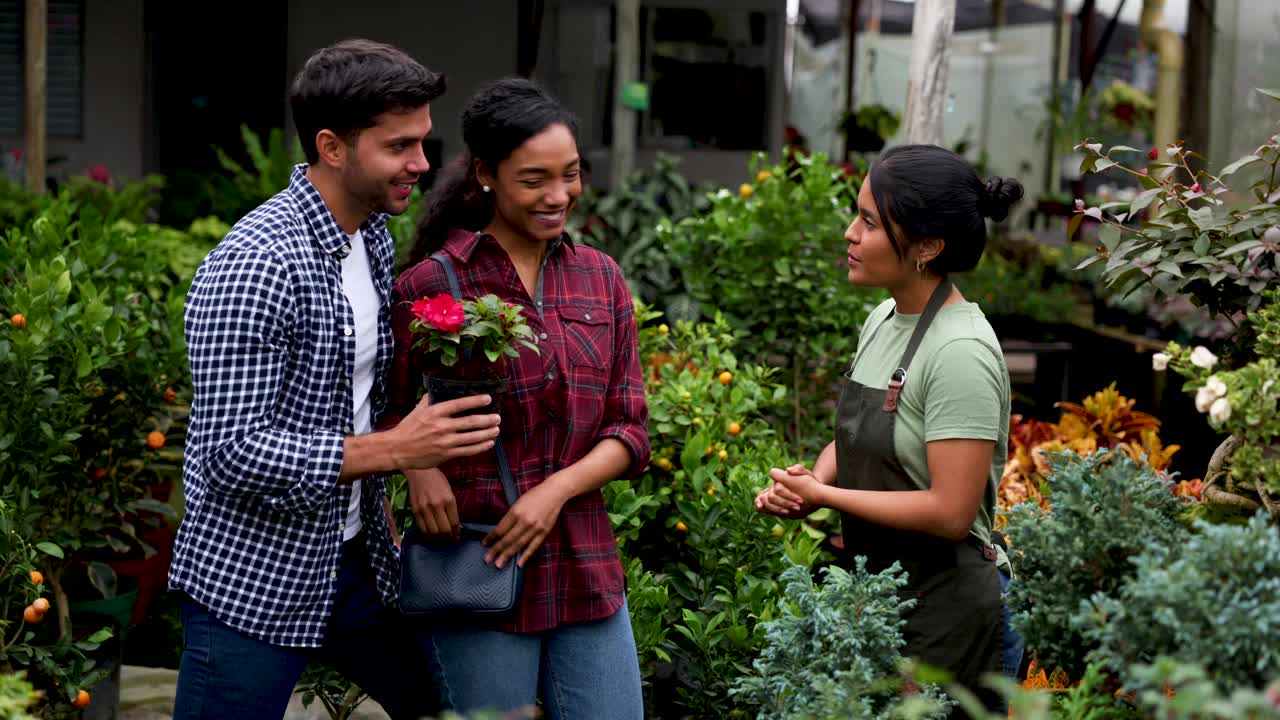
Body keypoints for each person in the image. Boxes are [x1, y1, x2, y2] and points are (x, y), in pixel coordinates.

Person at [169, 39, 502, 720]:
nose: (422, 163)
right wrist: (397, 452)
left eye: (423, 141)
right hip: (252, 579)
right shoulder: (256, 265)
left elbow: (357, 396)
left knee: (454, 706)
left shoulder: (371, 234)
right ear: (331, 147)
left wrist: (397, 478)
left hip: (355, 562)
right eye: (400, 146)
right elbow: (230, 453)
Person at [382, 77, 649, 718]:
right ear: (485, 174)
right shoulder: (432, 282)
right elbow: (385, 410)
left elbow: (630, 428)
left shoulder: (600, 279)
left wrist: (553, 492)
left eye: (571, 174)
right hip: (474, 562)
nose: (558, 196)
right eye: (534, 180)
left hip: (584, 566)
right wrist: (418, 467)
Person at [754, 144, 1023, 717]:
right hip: (876, 596)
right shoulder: (883, 319)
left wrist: (824, 497)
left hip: (943, 609)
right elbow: (858, 437)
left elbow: (951, 512)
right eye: (857, 214)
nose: (850, 233)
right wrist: (810, 480)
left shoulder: (960, 351)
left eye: (870, 222)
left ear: (928, 247)